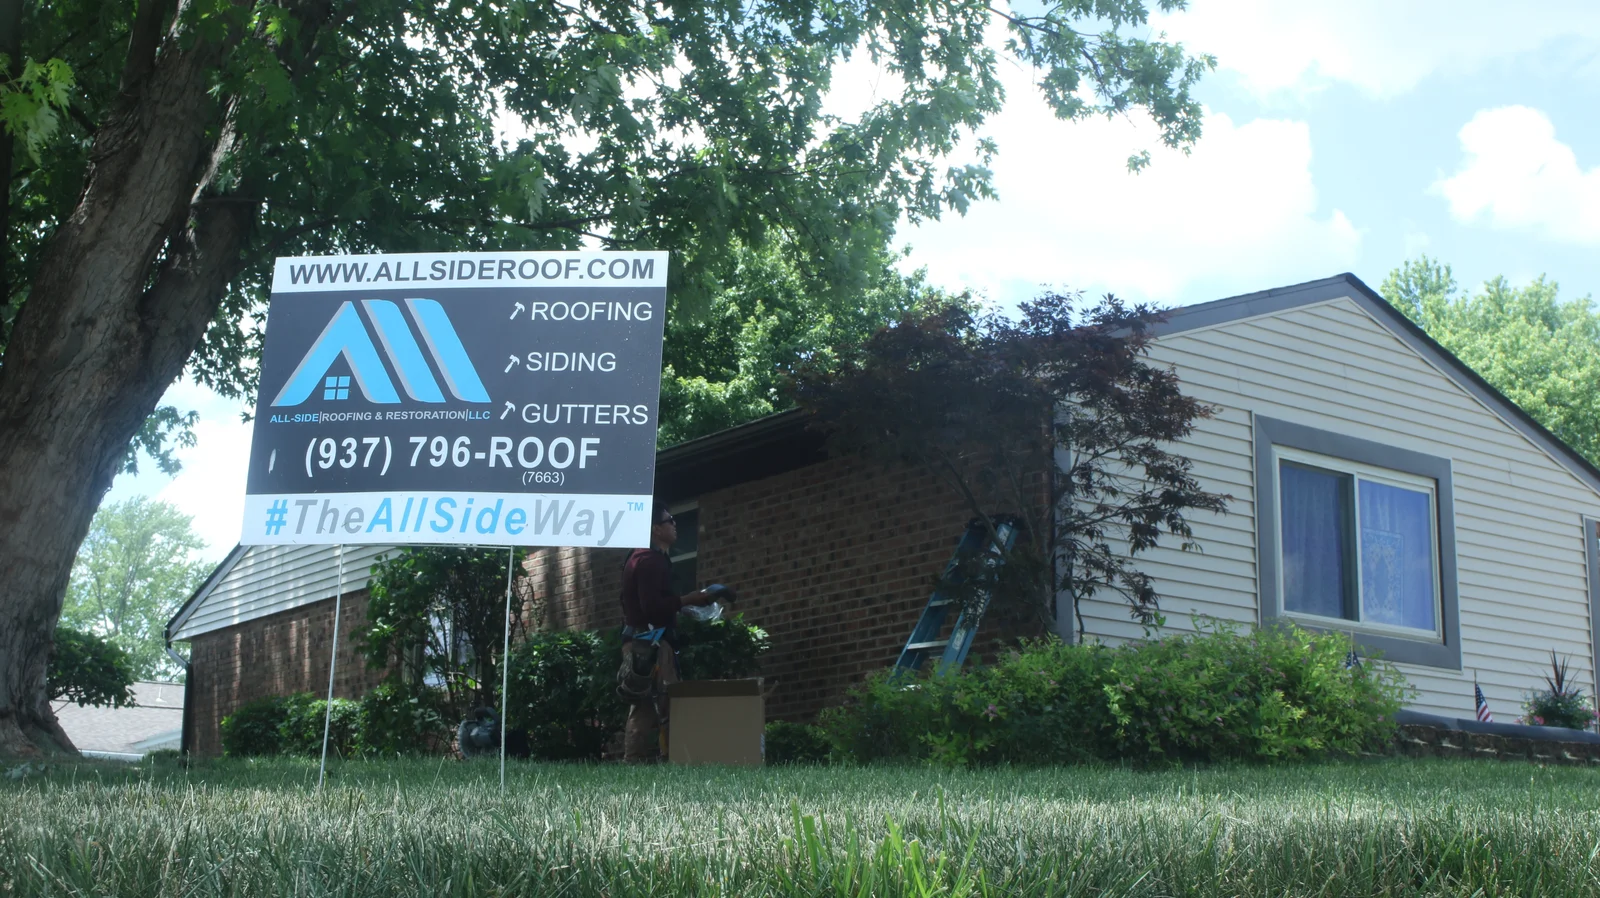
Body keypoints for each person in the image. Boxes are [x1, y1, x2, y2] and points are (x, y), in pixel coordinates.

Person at [618, 503, 720, 761]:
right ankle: (647, 762)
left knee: (650, 704)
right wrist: (688, 599)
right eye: (669, 520)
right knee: (661, 704)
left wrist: (684, 606)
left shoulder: (644, 557)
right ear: (655, 529)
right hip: (650, 640)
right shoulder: (649, 561)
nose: (675, 524)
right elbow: (651, 607)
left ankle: (646, 761)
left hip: (643, 638)